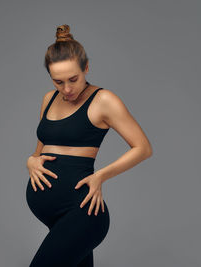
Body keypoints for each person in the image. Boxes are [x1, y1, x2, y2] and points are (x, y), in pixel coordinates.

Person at [25, 24, 153, 267]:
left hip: (83, 213)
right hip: (54, 215)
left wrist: (100, 176)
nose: (67, 89)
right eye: (58, 82)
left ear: (86, 67)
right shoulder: (48, 99)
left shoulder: (103, 100)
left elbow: (143, 148)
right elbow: (40, 150)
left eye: (73, 79)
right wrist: (30, 160)